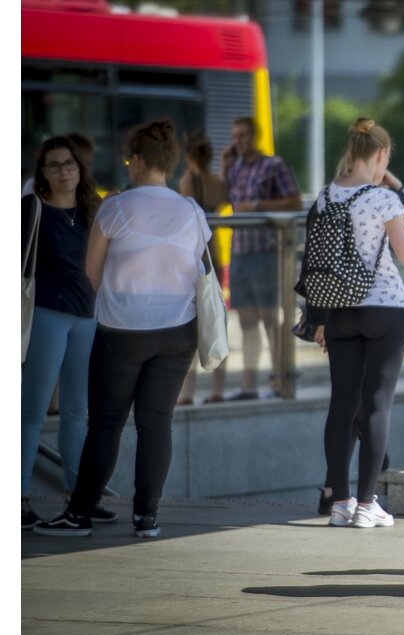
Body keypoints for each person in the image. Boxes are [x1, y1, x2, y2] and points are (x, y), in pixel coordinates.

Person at [34, 118, 209, 538]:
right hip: (177, 331)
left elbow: (91, 276)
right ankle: (146, 517)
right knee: (157, 424)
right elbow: (199, 270)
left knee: (106, 424)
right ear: (168, 162)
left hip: (121, 332)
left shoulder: (114, 208)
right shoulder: (190, 211)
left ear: (135, 161)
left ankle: (79, 515)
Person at [301, 118, 404, 529]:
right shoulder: (381, 199)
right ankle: (368, 504)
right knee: (378, 405)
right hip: (384, 311)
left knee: (342, 405)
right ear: (381, 155)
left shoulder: (327, 195)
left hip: (340, 311)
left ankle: (341, 502)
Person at [21, 136, 116, 529]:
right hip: (45, 314)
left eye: (70, 164)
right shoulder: (31, 209)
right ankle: (18, 498)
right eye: (54, 165)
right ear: (41, 173)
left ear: (81, 167)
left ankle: (78, 498)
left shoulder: (95, 208)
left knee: (79, 411)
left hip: (88, 317)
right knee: (31, 411)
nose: (64, 171)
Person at [221, 116, 302, 400]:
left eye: (243, 136)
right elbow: (223, 198)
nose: (238, 141)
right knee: (246, 320)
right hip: (240, 251)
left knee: (270, 318)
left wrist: (258, 205)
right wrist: (223, 166)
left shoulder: (273, 165)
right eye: (235, 136)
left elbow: (295, 201)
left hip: (266, 251)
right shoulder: (235, 168)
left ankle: (281, 380)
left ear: (255, 136)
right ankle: (249, 385)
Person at [177, 131, 230, 405]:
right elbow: (221, 201)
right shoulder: (218, 182)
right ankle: (218, 388)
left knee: (191, 320)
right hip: (215, 254)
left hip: (191, 256)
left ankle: (186, 392)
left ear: (188, 156)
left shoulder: (187, 180)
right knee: (214, 317)